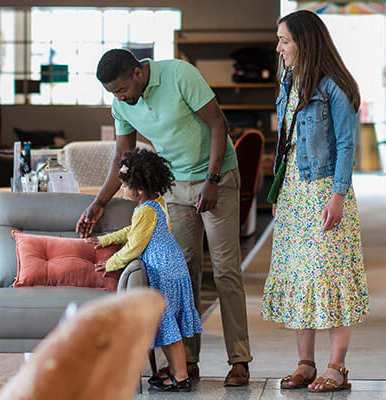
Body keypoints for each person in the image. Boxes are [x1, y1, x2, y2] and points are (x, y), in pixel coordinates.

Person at [76, 48, 253, 386]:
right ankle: (186, 361)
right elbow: (122, 158)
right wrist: (99, 203)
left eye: (121, 89)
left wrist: (212, 180)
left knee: (225, 269)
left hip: (217, 179)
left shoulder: (179, 75)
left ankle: (239, 360)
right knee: (181, 271)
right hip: (174, 187)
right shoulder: (123, 104)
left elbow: (219, 123)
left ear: (138, 73)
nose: (118, 97)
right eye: (112, 92)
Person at [261, 10, 370, 393]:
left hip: (324, 191)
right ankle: (305, 364)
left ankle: (337, 367)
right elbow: (286, 144)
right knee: (299, 279)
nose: (279, 47)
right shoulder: (289, 81)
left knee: (331, 278)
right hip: (293, 193)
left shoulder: (333, 86)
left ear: (304, 42)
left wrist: (337, 196)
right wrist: (279, 190)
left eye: (284, 40)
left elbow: (345, 145)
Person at [86, 149, 202, 392]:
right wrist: (107, 240)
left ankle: (180, 377)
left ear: (138, 189)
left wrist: (110, 263)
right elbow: (132, 231)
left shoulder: (146, 210)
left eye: (125, 186)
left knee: (168, 327)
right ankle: (174, 372)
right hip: (172, 267)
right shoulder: (154, 203)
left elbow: (134, 246)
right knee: (170, 325)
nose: (122, 190)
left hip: (164, 272)